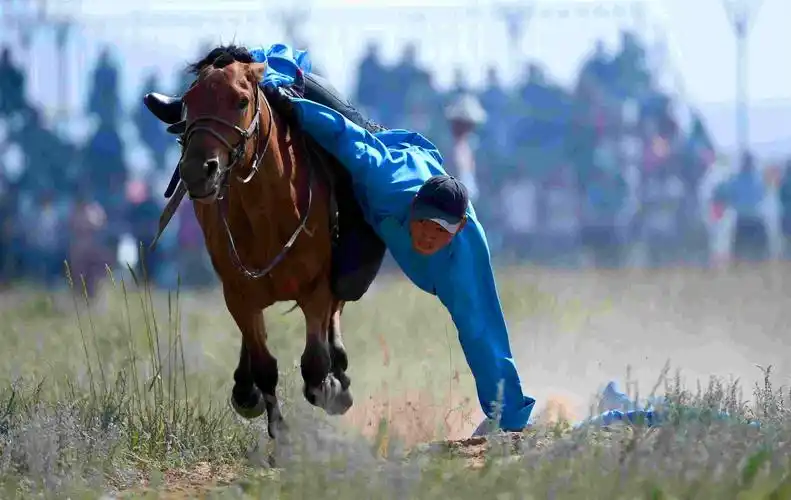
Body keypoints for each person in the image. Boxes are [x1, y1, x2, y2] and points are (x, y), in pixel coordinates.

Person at [144, 43, 535, 435]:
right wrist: (289, 101)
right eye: (424, 227)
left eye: (440, 233)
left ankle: (508, 414)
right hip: (391, 156)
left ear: (459, 230)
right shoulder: (382, 177)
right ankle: (281, 76)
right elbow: (344, 134)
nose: (428, 239)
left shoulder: (463, 249)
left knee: (477, 326)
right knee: (351, 132)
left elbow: (485, 323)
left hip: (448, 236)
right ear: (412, 209)